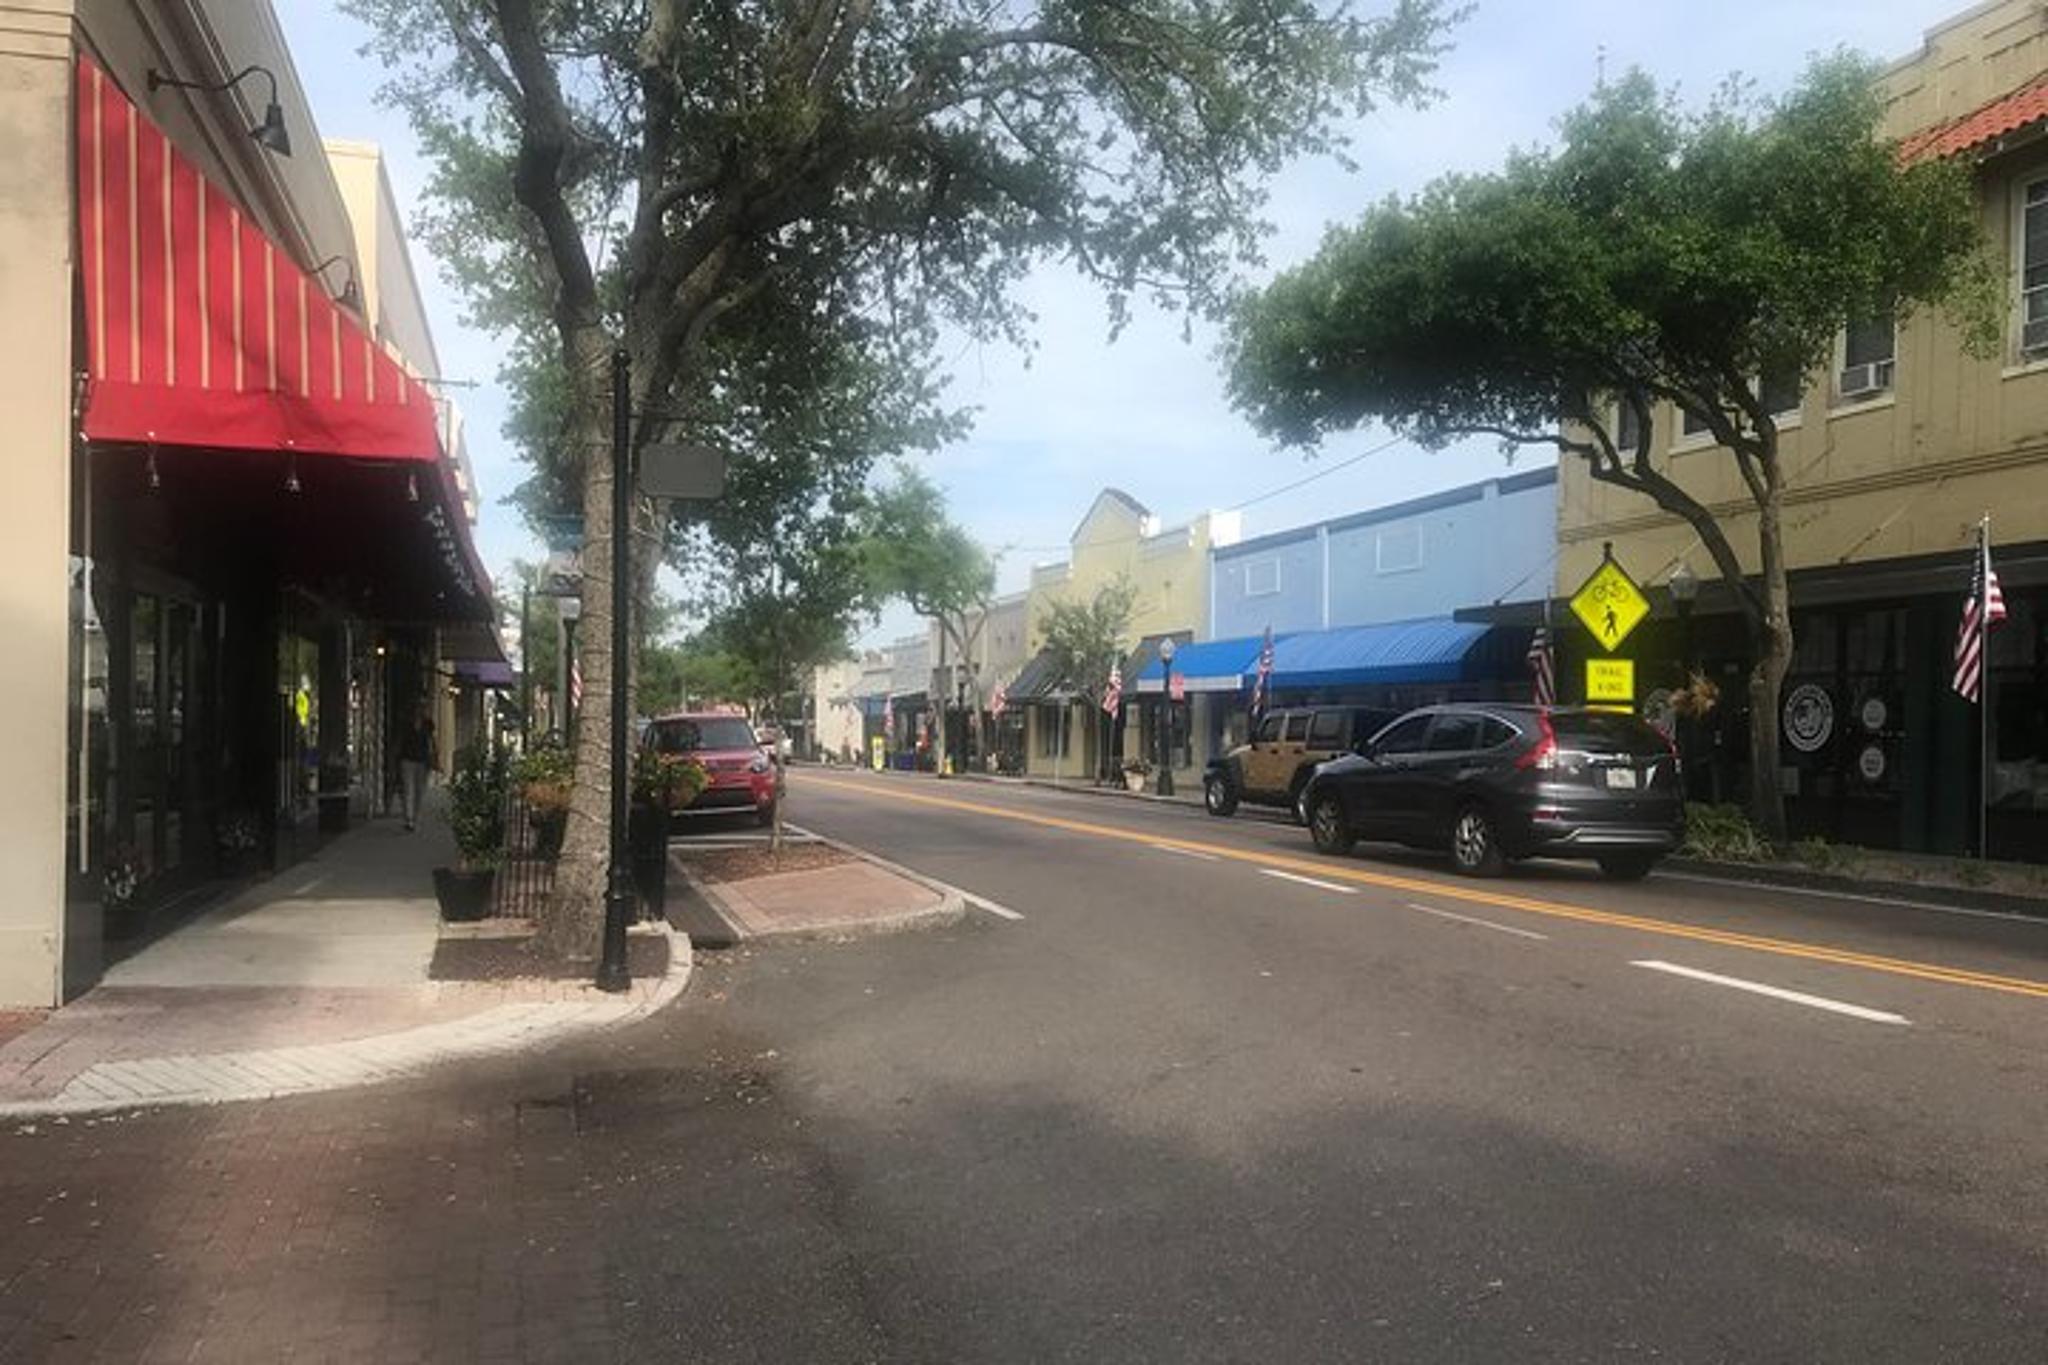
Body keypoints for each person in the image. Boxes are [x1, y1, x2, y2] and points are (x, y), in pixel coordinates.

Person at [398, 700, 436, 832]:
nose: (420, 710)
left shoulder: (428, 724)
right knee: (407, 789)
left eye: (423, 707)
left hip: (422, 761)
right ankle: (408, 819)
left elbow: (431, 742)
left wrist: (434, 758)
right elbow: (400, 741)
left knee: (419, 791)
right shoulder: (406, 724)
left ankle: (415, 818)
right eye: (418, 707)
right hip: (407, 759)